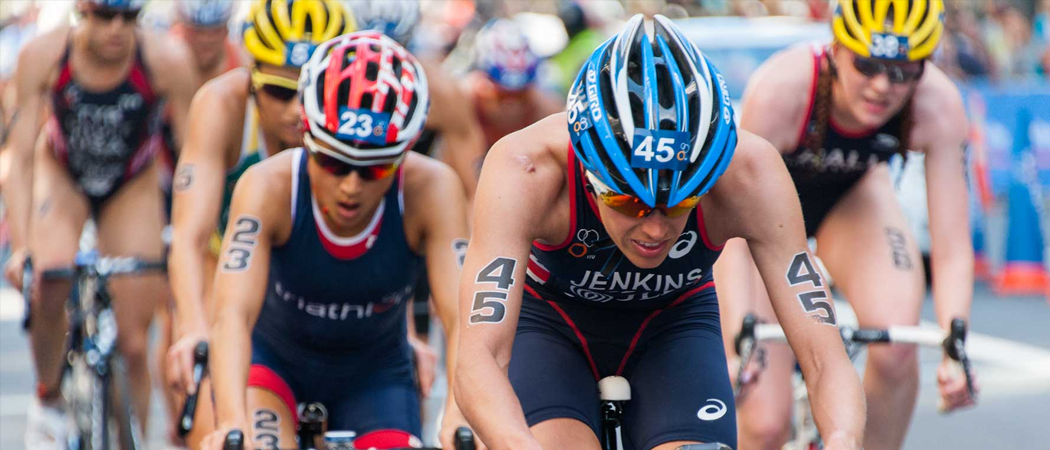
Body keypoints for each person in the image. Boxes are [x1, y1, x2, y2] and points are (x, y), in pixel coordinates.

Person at [454, 14, 865, 450]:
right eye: (629, 202)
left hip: (674, 325)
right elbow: (479, 356)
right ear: (590, 174)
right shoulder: (527, 169)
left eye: (680, 202)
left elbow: (823, 355)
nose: (654, 228)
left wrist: (843, 438)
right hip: (550, 326)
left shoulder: (749, 174)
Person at [714, 2, 978, 450]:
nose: (882, 86)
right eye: (867, 64)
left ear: (923, 69)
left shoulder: (938, 103)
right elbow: (732, 233)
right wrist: (737, 331)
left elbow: (952, 244)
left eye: (901, 72)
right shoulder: (781, 90)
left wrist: (955, 343)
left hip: (853, 200)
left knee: (897, 346)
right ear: (837, 49)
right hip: (762, 222)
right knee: (764, 422)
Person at [198, 31, 472, 450]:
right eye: (331, 161)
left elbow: (463, 319)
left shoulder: (433, 189)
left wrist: (458, 412)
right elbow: (232, 314)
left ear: (404, 154)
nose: (350, 186)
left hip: (376, 379)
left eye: (374, 169)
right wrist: (232, 422)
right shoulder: (267, 186)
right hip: (273, 367)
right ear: (306, 136)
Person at [0, 0, 198, 446]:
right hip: (63, 173)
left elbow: (192, 161)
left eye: (129, 17)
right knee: (51, 275)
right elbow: (20, 157)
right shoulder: (43, 55)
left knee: (132, 344)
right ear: (80, 14)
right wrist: (22, 244)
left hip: (131, 182)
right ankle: (47, 396)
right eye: (104, 16)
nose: (117, 29)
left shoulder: (167, 60)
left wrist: (185, 238)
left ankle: (133, 438)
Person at [164, 0, 354, 447]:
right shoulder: (220, 105)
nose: (294, 111)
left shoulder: (353, 114)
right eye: (278, 92)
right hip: (226, 268)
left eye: (309, 93)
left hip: (318, 279)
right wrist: (192, 327)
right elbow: (188, 239)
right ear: (251, 77)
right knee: (219, 426)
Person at [350, 0, 487, 200]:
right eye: (370, 54)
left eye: (393, 57)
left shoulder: (443, 92)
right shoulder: (323, 80)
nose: (381, 68)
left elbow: (475, 189)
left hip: (411, 203)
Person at [464, 18, 564, 152]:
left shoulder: (548, 110)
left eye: (520, 95)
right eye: (502, 96)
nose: (512, 107)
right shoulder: (463, 101)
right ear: (482, 81)